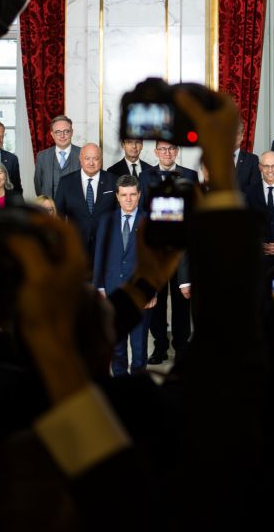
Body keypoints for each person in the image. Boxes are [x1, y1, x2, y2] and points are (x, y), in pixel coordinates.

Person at [92, 176, 149, 375]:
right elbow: (100, 254)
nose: (128, 199)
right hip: (113, 291)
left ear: (139, 195)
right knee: (117, 347)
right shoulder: (106, 222)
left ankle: (138, 389)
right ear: (117, 196)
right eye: (124, 195)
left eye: (133, 194)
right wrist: (98, 287)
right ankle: (121, 391)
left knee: (139, 346)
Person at [147, 140, 193, 362]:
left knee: (182, 301)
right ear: (156, 152)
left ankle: (182, 346)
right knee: (156, 302)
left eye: (172, 149)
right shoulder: (145, 177)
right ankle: (160, 346)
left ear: (177, 151)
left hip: (181, 251)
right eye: (163, 149)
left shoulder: (190, 176)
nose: (167, 153)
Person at [56, 143, 115, 250]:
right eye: (87, 158)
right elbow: (59, 215)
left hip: (106, 244)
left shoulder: (113, 180)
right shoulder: (65, 182)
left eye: (95, 158)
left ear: (101, 159)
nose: (91, 163)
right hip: (75, 245)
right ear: (80, 159)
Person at [32, 115, 79, 206]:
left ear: (72, 132)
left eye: (66, 131)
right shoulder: (42, 157)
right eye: (58, 132)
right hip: (49, 212)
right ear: (52, 134)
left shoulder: (82, 154)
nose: (62, 136)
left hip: (75, 211)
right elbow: (38, 185)